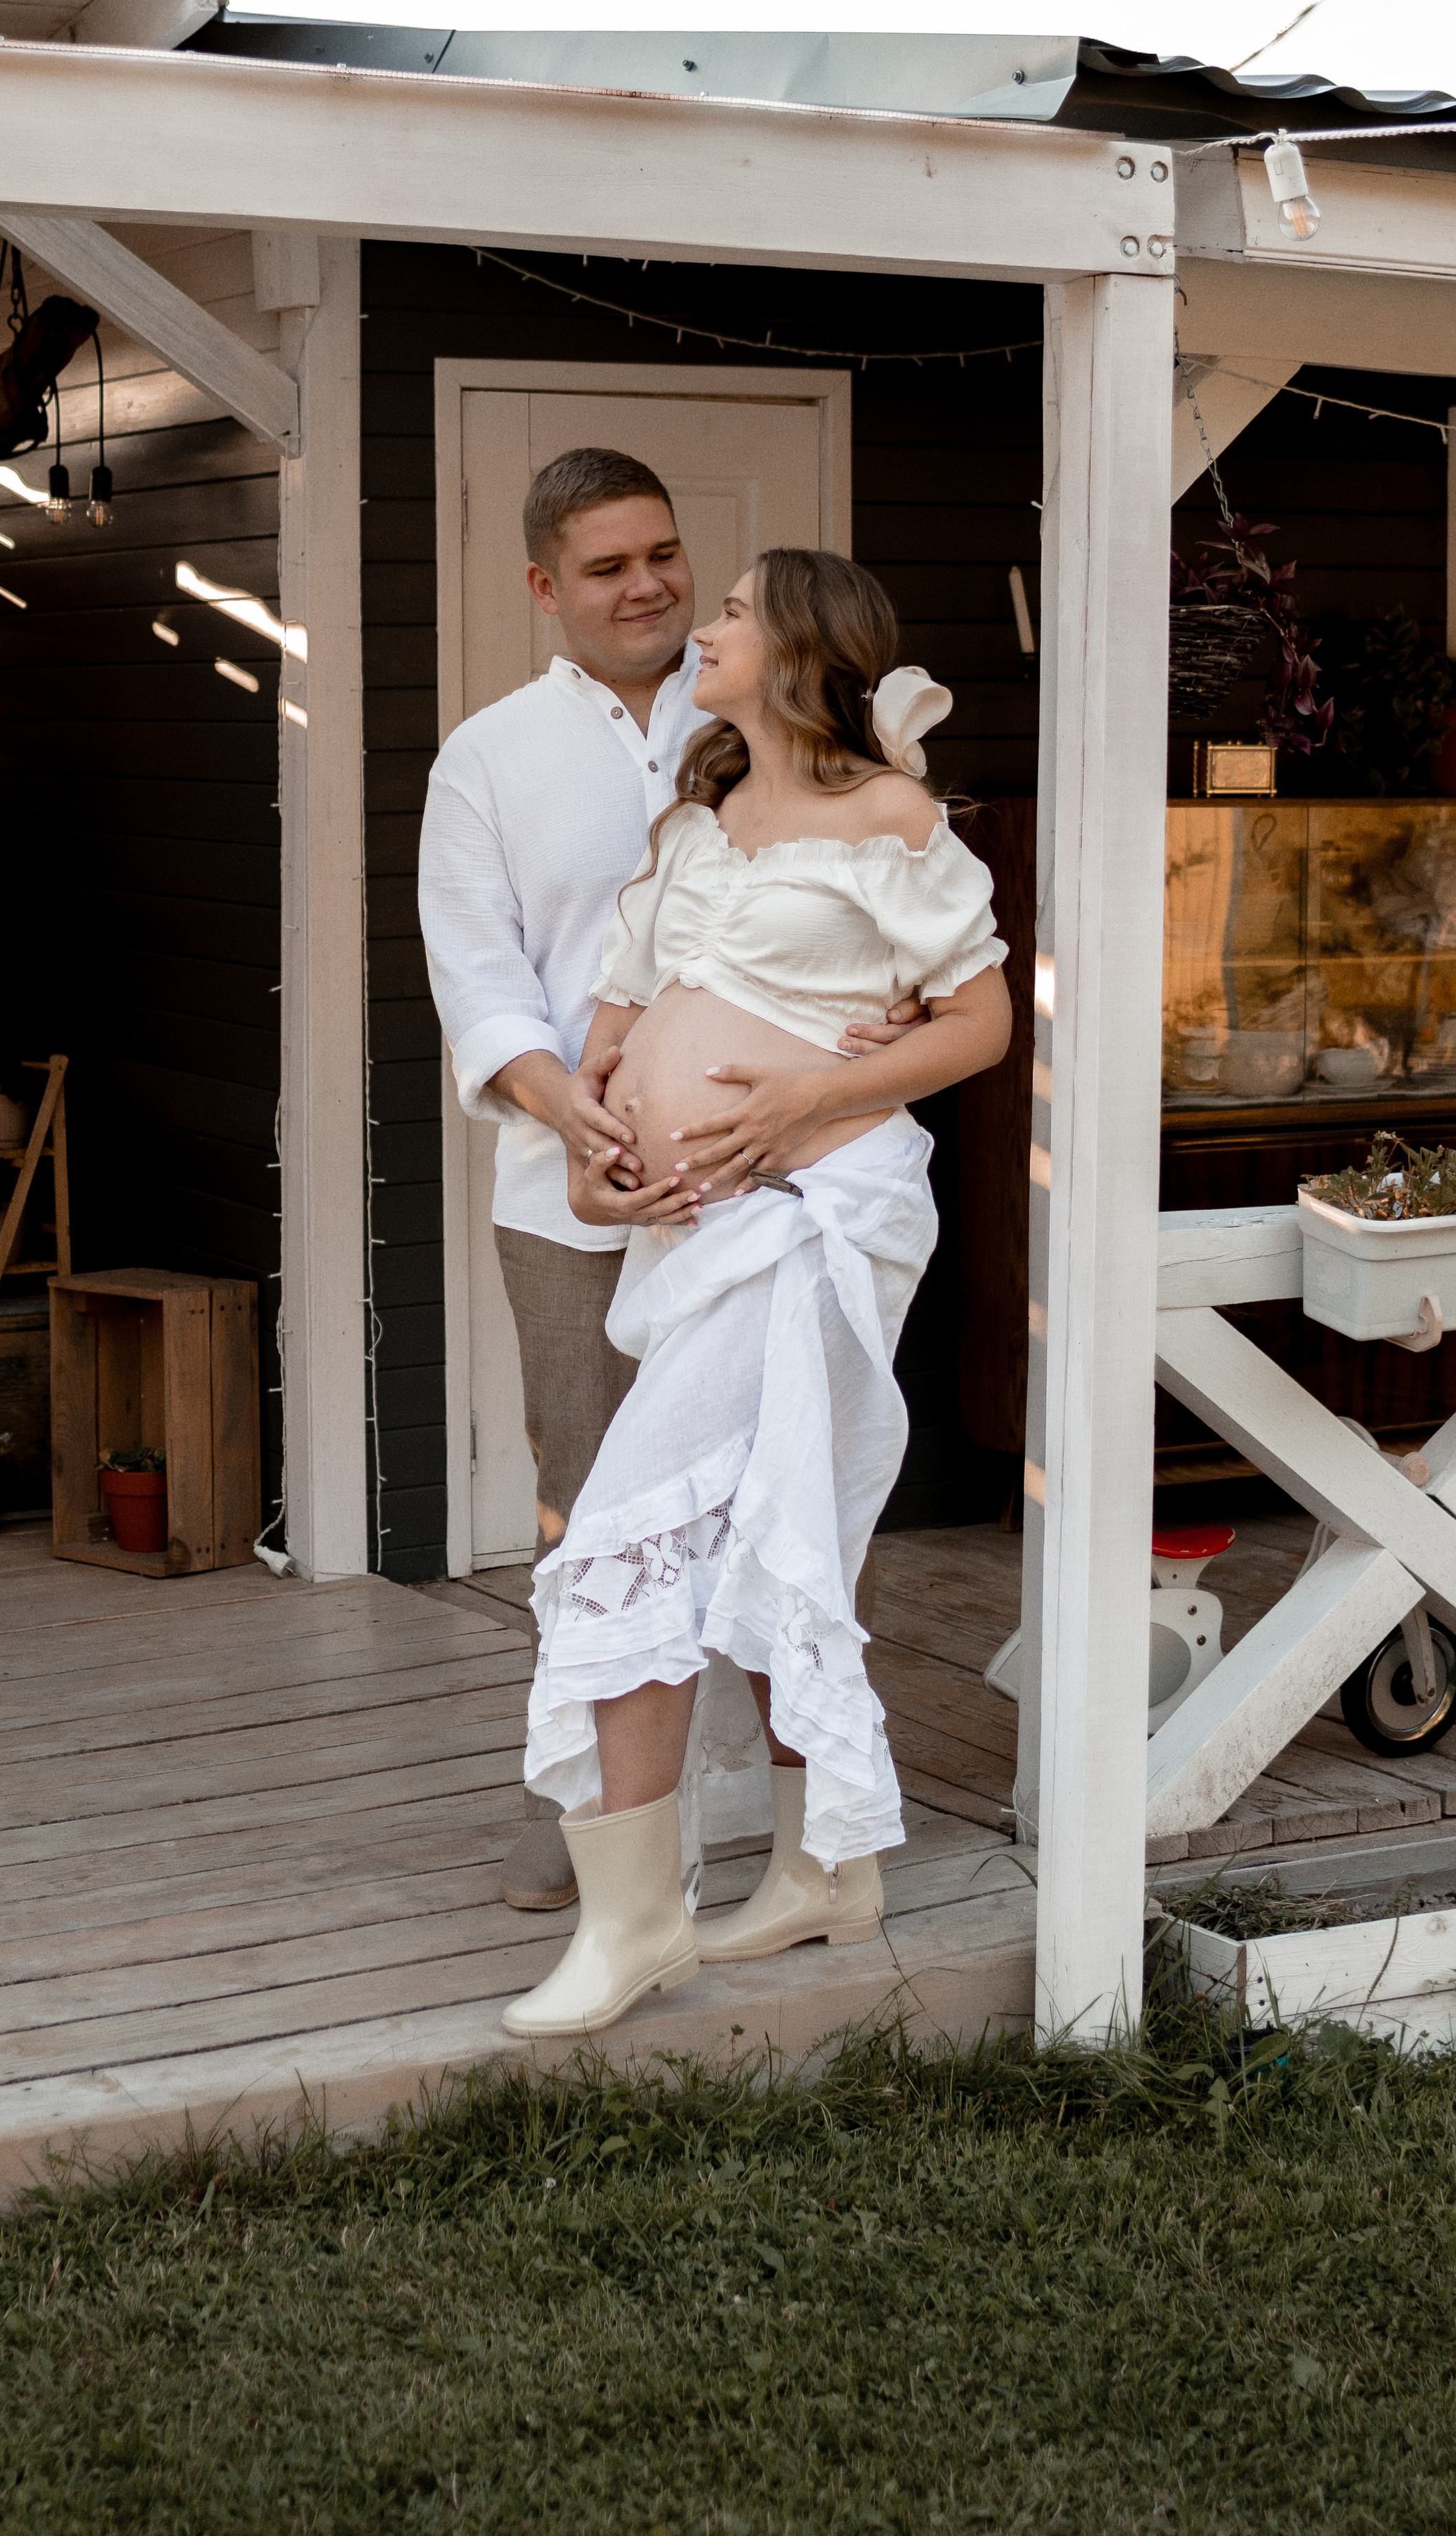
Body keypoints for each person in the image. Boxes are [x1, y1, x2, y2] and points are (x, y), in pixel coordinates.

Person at [499, 547, 1012, 2040]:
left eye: (728, 609)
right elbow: (606, 1049)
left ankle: (635, 1925)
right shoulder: (694, 826)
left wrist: (794, 1102)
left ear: (799, 649)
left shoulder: (892, 823)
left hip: (813, 1212)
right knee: (788, 1535)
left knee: (625, 1533)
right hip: (682, 1230)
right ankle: (824, 1873)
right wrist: (594, 1168)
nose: (702, 626)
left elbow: (978, 1024)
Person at [420, 455, 923, 1913]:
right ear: (541, 588)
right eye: (603, 567)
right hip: (580, 1199)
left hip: (788, 1193)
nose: (643, 586)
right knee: (593, 1509)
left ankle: (810, 1817)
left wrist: (867, 1036)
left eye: (662, 556)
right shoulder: (489, 757)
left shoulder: (801, 730)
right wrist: (566, 1115)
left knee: (800, 1499)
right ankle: (585, 1811)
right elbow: (479, 975)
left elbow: (892, 932)